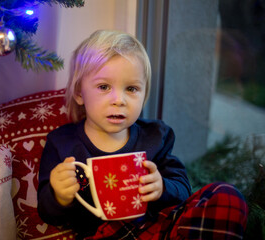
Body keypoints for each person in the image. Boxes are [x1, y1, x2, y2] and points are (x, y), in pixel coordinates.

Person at [37, 30, 248, 239]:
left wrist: (162, 187)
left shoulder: (155, 137)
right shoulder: (62, 143)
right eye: (103, 87)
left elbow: (183, 189)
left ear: (144, 95)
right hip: (104, 235)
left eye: (131, 89)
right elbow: (48, 214)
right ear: (79, 93)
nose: (119, 100)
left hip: (158, 229)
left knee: (227, 196)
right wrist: (59, 195)